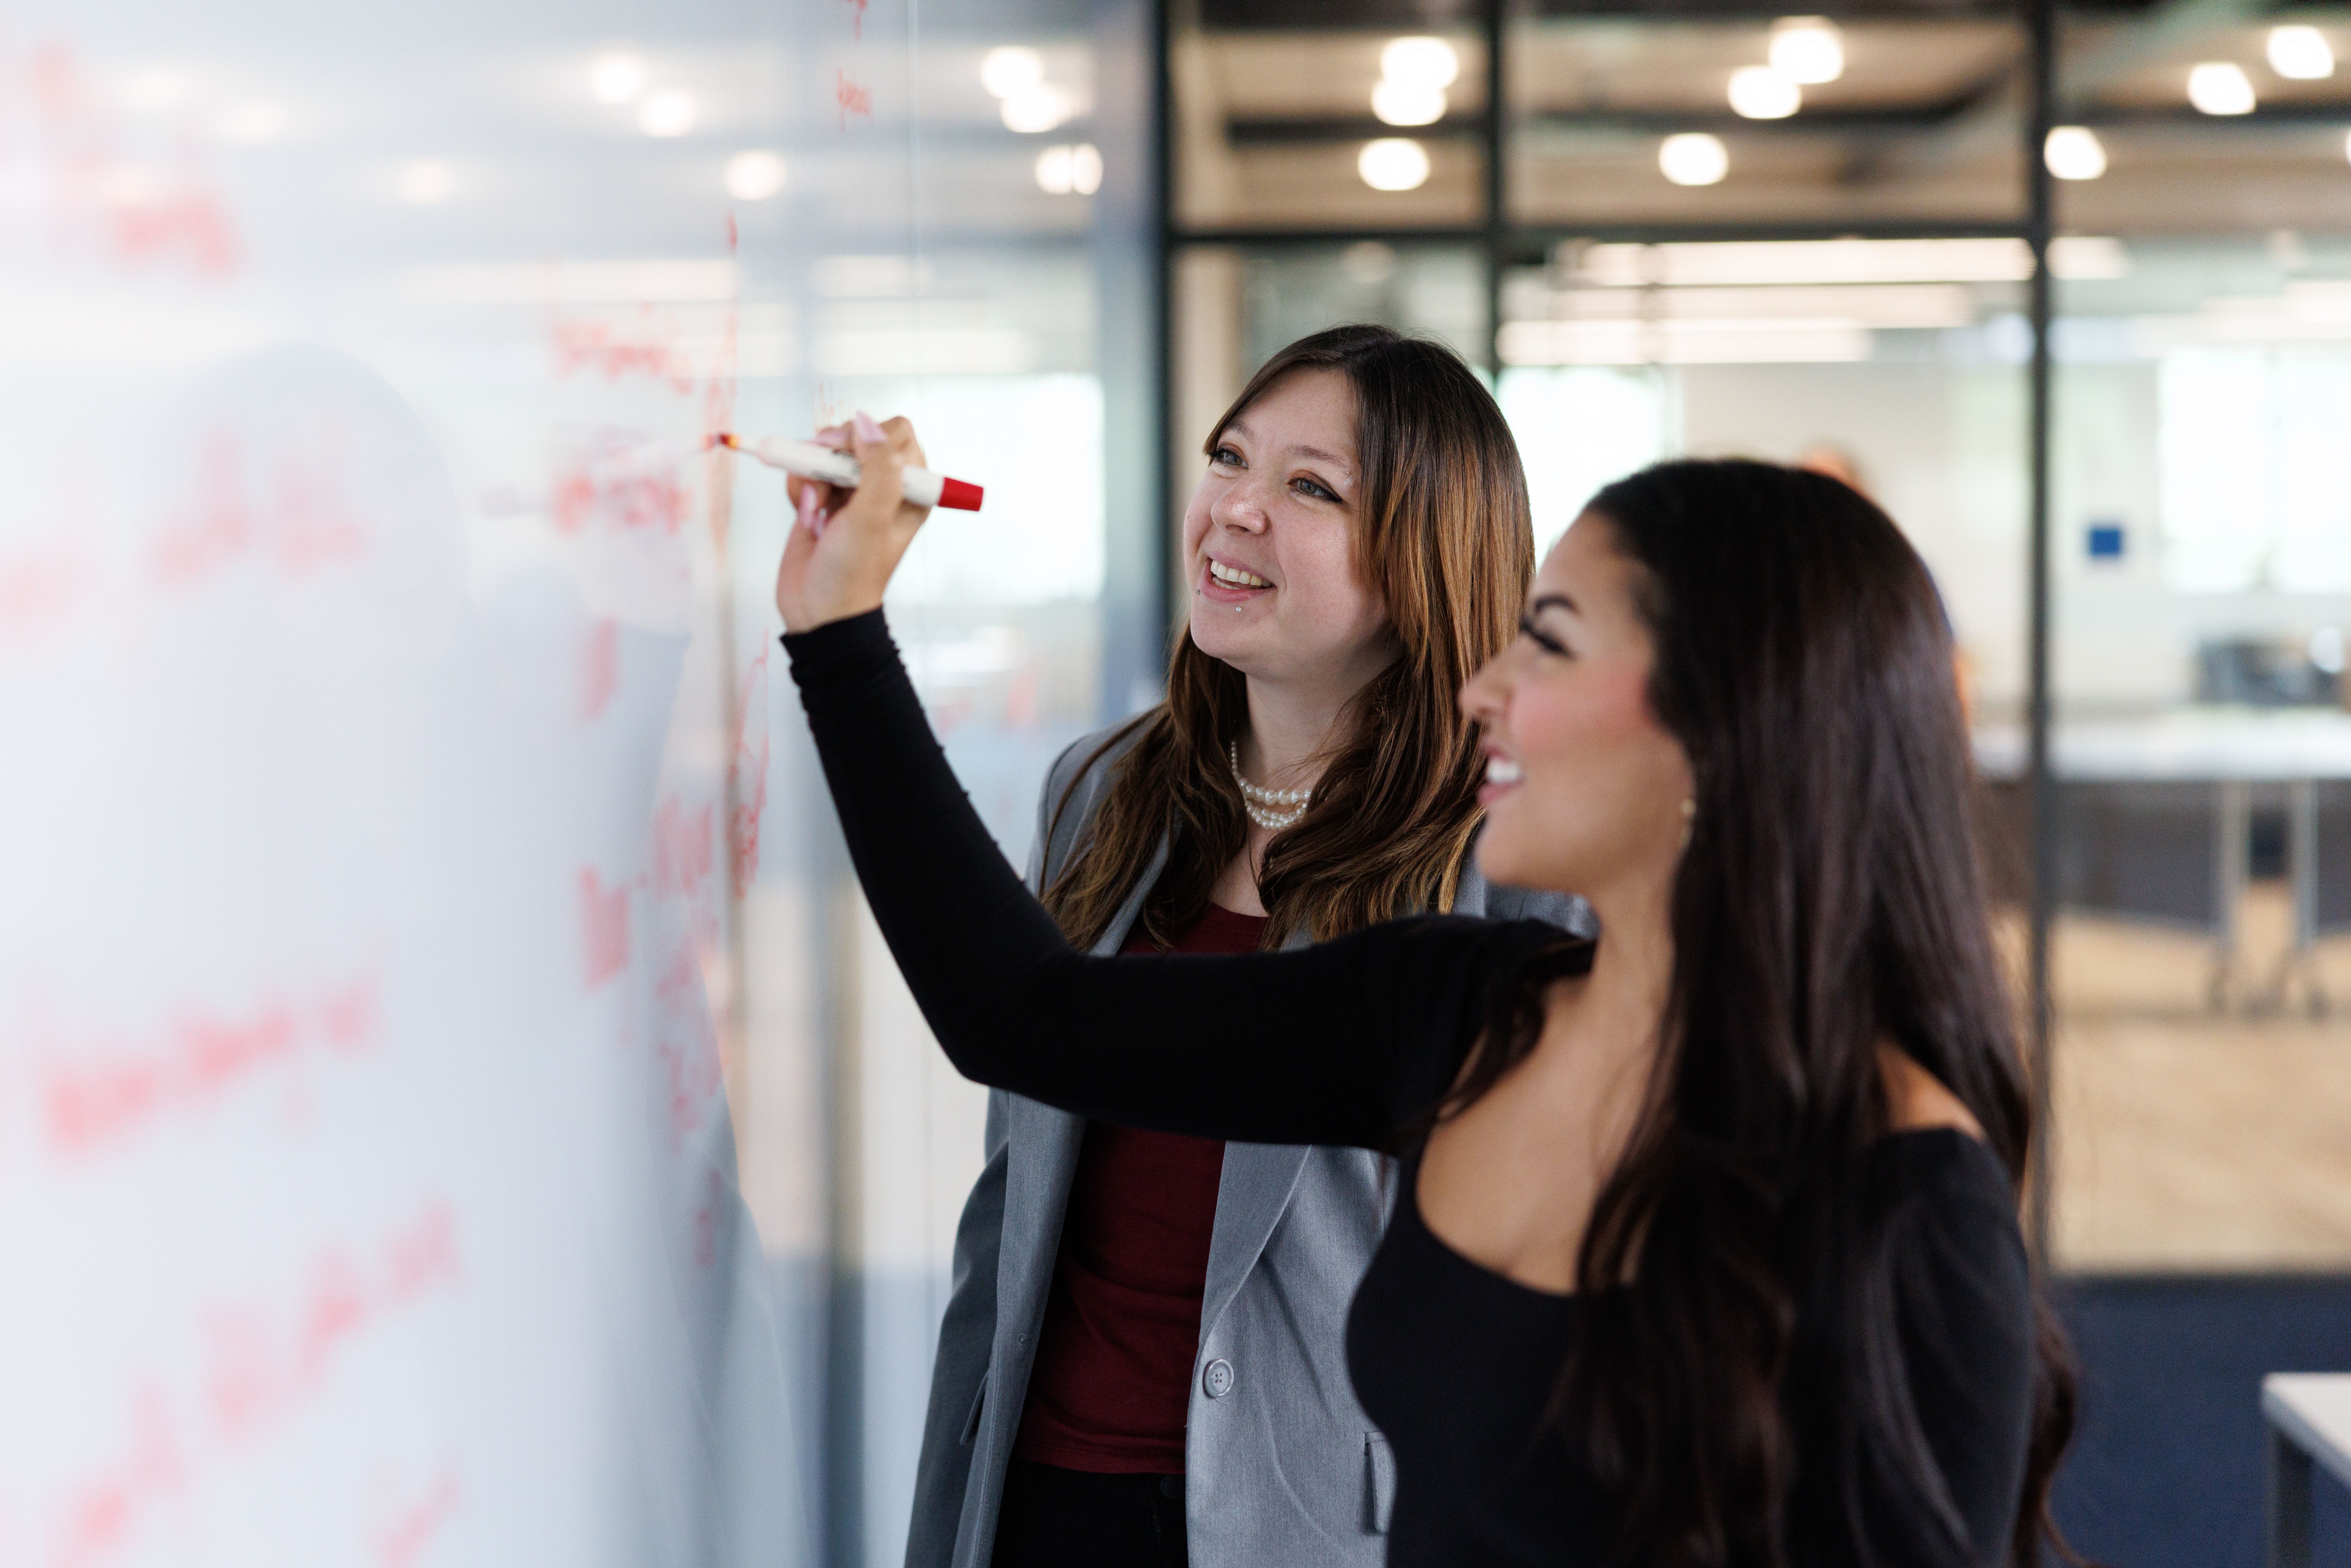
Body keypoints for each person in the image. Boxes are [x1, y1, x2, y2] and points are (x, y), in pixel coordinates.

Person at [777, 429, 2079, 1565]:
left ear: (1721, 725)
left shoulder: (1905, 1198)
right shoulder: (1456, 1013)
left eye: (1549, 644)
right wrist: (840, 637)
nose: (1481, 689)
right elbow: (1021, 1014)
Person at [887, 326, 1586, 1568]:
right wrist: (953, 1500)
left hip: (1321, 1524)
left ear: (1427, 559)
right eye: (1229, 457)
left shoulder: (1510, 861)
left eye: (1311, 487)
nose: (1237, 508)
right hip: (1043, 1494)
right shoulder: (1100, 791)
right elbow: (1013, 1194)